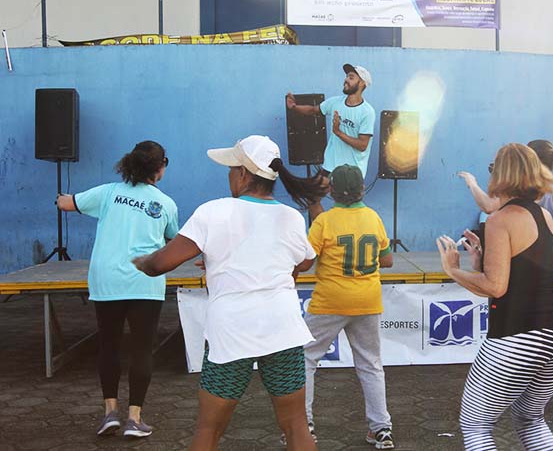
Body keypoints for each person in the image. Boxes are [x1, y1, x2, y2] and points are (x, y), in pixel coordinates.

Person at [132, 135, 326, 451]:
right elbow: (304, 261)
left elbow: (160, 264)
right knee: (296, 426)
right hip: (282, 328)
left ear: (244, 174)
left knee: (209, 430)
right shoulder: (290, 216)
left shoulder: (213, 212)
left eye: (232, 168)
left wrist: (141, 261)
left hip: (231, 333)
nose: (229, 175)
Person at [438, 143, 553, 450]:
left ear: (501, 174)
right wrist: (480, 262)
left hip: (520, 333)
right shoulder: (544, 214)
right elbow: (520, 275)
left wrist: (453, 270)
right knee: (530, 419)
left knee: (475, 425)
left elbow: (495, 287)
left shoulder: (500, 218)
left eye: (492, 168)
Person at [56, 140, 177, 438]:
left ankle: (110, 413)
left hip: (107, 280)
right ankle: (135, 419)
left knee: (108, 345)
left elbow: (68, 204)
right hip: (145, 281)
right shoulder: (166, 204)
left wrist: (61, 198)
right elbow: (173, 239)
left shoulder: (108, 193)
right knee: (142, 349)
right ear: (160, 168)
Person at [457, 139, 553, 403]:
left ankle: (522, 383)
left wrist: (472, 183)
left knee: (476, 420)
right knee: (550, 327)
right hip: (544, 275)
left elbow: (489, 207)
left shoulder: (510, 211)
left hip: (519, 286)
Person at [301, 164, 395, 449]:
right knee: (371, 364)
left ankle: (304, 427)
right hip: (367, 300)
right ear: (361, 189)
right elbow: (387, 260)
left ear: (331, 191)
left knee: (305, 358)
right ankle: (381, 429)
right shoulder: (373, 217)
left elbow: (306, 261)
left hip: (330, 301)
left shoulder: (325, 221)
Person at [286, 64, 376, 220]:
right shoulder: (335, 102)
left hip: (351, 172)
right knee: (312, 198)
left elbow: (362, 145)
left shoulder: (367, 112)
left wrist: (338, 132)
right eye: (346, 76)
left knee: (347, 211)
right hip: (330, 167)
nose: (346, 80)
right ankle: (324, 231)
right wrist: (293, 107)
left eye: (351, 77)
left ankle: (341, 234)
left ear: (362, 84)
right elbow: (313, 110)